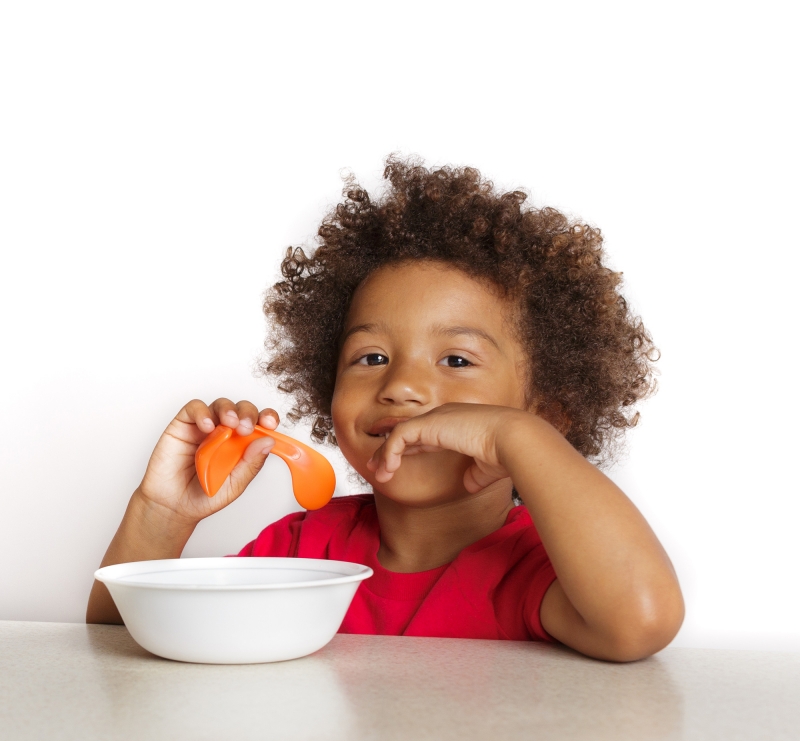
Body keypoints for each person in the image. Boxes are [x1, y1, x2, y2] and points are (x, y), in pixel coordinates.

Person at [87, 155, 684, 661]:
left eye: (456, 361)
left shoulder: (542, 568)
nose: (400, 386)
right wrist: (164, 512)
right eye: (370, 357)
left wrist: (520, 439)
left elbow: (642, 620)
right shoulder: (302, 551)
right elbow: (120, 650)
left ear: (549, 412)